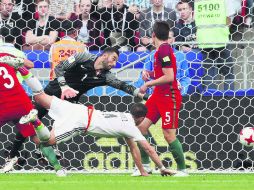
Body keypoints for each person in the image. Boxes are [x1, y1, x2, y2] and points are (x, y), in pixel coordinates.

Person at [6, 47, 150, 171]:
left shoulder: (107, 76)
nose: (114, 63)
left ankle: (46, 152)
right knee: (28, 121)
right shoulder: (83, 57)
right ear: (104, 55)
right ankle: (11, 157)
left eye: (116, 61)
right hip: (52, 93)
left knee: (56, 134)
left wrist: (144, 96)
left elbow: (123, 86)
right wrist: (64, 86)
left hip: (70, 104)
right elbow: (59, 67)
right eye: (113, 58)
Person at [20, 92, 176, 177]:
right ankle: (35, 122)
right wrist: (162, 167)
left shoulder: (123, 116)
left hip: (77, 109)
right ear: (141, 118)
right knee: (46, 142)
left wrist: (142, 171)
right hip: (80, 121)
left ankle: (21, 69)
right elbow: (148, 149)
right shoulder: (132, 128)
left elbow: (133, 149)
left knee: (39, 96)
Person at [0, 26, 66, 176]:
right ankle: (58, 169)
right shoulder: (7, 54)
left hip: (3, 103)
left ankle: (10, 158)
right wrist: (16, 63)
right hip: (20, 100)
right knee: (38, 138)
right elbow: (30, 64)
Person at [136, 21, 188, 177]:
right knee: (140, 128)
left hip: (169, 96)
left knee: (168, 134)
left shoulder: (164, 51)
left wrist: (148, 83)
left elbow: (170, 77)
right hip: (158, 94)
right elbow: (164, 73)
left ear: (153, 36)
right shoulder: (161, 50)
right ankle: (146, 167)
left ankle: (182, 170)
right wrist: (150, 75)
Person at [135, 30, 190, 96]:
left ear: (173, 40)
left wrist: (180, 93)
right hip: (153, 93)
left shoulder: (181, 56)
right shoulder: (152, 55)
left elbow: (185, 78)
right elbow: (145, 75)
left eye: (169, 38)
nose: (166, 41)